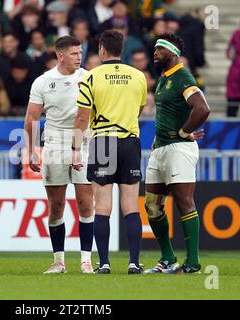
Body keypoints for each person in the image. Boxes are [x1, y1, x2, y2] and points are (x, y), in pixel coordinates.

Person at [73, 30, 147, 274]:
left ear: (102, 50)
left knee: (102, 206)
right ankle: (134, 262)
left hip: (103, 141)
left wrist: (75, 148)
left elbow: (83, 117)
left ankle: (104, 263)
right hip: (129, 141)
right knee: (131, 206)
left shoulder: (91, 77)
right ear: (122, 50)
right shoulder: (138, 76)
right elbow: (139, 109)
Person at [24, 35, 94, 274]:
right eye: (74, 53)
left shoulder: (88, 77)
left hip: (84, 141)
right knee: (56, 205)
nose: (79, 57)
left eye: (80, 53)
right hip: (54, 141)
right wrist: (31, 150)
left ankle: (86, 261)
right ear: (60, 55)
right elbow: (32, 118)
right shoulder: (43, 82)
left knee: (86, 203)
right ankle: (58, 261)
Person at [144, 33, 210, 274]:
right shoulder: (163, 78)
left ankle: (192, 263)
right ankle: (168, 258)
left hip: (179, 149)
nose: (155, 53)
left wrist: (184, 131)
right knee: (152, 206)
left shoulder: (183, 76)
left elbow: (202, 109)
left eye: (159, 49)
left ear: (173, 53)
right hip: (160, 148)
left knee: (184, 202)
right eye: (154, 49)